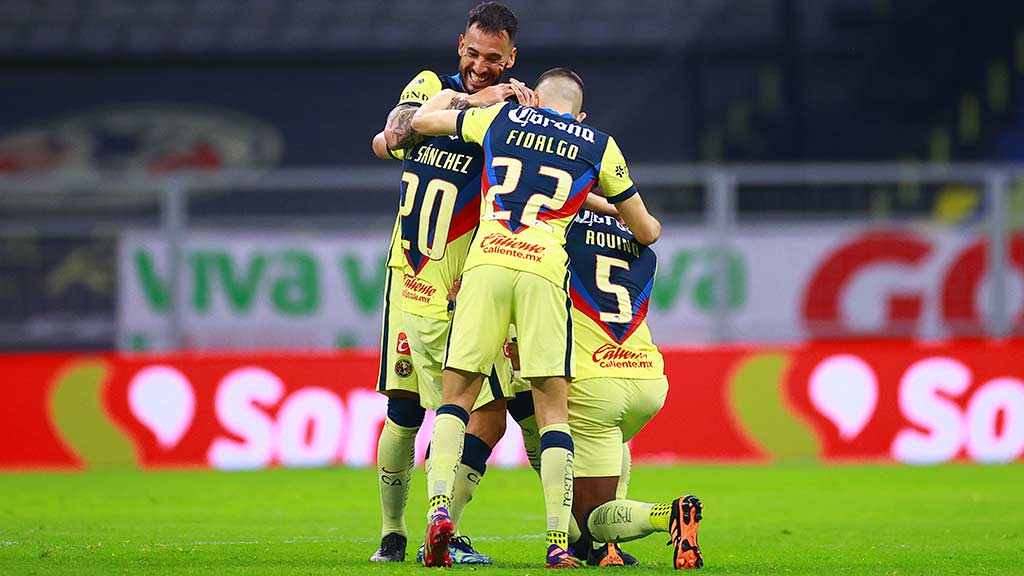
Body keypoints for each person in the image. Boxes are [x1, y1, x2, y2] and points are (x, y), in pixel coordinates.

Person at [411, 67, 661, 568]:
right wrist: (618, 210)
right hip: (543, 272)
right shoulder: (600, 144)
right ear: (580, 112)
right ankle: (555, 542)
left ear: (534, 98)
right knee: (553, 413)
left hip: (486, 261)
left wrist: (481, 98)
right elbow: (647, 232)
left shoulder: (501, 117)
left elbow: (422, 122)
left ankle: (439, 513)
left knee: (456, 399)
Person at [366, 2, 530, 565]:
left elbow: (388, 139)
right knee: (471, 412)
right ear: (460, 44)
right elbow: (392, 132)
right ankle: (436, 528)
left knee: (410, 410)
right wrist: (485, 101)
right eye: (472, 54)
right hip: (435, 284)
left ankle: (398, 536)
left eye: (492, 60)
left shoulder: (501, 111)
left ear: (511, 57)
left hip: (415, 275)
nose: (480, 67)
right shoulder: (434, 85)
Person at [563, 207, 704, 569]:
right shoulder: (643, 246)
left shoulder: (559, 234)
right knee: (613, 438)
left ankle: (669, 515)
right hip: (647, 376)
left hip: (593, 379)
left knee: (591, 520)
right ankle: (610, 553)